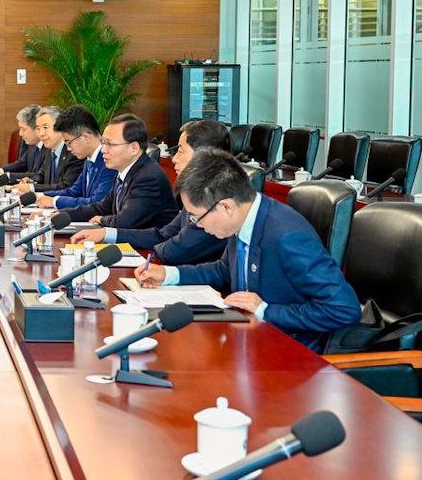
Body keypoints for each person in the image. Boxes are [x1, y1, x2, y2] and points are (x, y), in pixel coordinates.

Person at [134, 148, 361, 351]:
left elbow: (343, 308)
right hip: (247, 337)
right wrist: (169, 275)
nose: (197, 225)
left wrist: (265, 310)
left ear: (226, 206)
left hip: (288, 352)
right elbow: (224, 270)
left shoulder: (287, 236)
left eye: (196, 217)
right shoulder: (244, 219)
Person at [70, 118, 229, 264]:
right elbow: (162, 235)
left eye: (180, 151)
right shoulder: (197, 191)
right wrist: (106, 233)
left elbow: (173, 251)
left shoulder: (218, 200)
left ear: (205, 156)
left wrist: (105, 226)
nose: (174, 159)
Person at [56, 114, 176, 229]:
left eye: (110, 144)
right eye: (103, 143)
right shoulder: (123, 172)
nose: (103, 150)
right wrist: (63, 214)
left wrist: (102, 220)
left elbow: (125, 221)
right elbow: (102, 208)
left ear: (134, 148)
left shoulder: (148, 177)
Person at [35, 105, 115, 209]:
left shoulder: (109, 161)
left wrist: (55, 202)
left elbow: (97, 202)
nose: (68, 149)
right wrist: (40, 196)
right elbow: (73, 191)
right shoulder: (89, 160)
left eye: (69, 142)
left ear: (85, 137)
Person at [27, 105, 83, 193]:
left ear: (60, 126)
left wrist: (32, 188)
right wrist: (30, 181)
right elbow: (42, 175)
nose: (41, 133)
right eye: (38, 129)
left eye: (45, 127)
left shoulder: (73, 152)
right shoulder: (50, 149)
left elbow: (66, 186)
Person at [0, 105, 42, 178]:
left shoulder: (49, 148)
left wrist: (3, 176)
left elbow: (39, 176)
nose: (20, 134)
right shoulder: (33, 145)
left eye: (23, 129)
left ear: (37, 128)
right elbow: (21, 164)